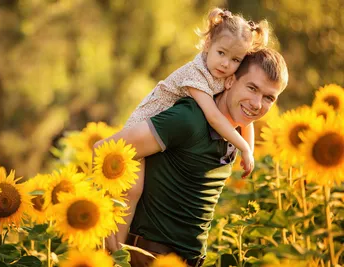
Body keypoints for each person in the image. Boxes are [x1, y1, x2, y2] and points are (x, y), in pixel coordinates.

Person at [94, 47, 288, 267]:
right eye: (252, 88)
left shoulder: (237, 134)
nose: (256, 103)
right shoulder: (189, 119)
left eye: (268, 98)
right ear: (230, 81)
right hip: (148, 257)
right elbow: (107, 149)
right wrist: (104, 223)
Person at [116, 7, 271, 247]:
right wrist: (244, 148)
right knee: (131, 191)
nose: (225, 64)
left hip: (162, 131)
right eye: (221, 53)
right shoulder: (196, 74)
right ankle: (114, 246)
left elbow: (244, 122)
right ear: (207, 44)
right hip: (144, 121)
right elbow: (213, 117)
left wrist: (246, 149)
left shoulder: (221, 73)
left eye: (235, 60)